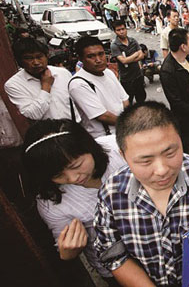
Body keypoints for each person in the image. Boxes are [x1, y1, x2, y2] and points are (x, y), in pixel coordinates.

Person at [94, 101, 189, 286]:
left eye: (170, 153)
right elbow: (113, 254)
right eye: (146, 161)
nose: (162, 170)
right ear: (124, 156)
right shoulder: (112, 193)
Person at [22, 119, 126, 286]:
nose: (72, 178)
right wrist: (69, 252)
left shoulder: (118, 147)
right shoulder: (51, 201)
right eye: (57, 175)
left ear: (89, 147)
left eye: (76, 165)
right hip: (115, 265)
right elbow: (65, 247)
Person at [69, 36, 129, 138]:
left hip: (124, 130)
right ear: (81, 59)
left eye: (101, 54)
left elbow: (125, 100)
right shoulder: (78, 84)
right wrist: (129, 124)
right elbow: (102, 116)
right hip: (104, 138)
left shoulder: (108, 72)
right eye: (91, 56)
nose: (98, 60)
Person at [5, 38, 76, 121]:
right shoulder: (13, 84)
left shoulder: (62, 73)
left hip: (75, 128)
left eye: (39, 57)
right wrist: (46, 87)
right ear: (20, 61)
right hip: (48, 132)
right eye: (29, 58)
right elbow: (33, 115)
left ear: (47, 56)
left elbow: (77, 102)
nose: (36, 62)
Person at [110, 20, 146, 105]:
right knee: (128, 102)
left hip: (138, 75)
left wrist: (130, 59)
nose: (121, 32)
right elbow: (123, 61)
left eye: (123, 29)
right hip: (126, 79)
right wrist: (136, 54)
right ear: (115, 31)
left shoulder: (132, 41)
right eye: (118, 30)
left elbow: (142, 55)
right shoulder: (115, 45)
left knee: (141, 100)